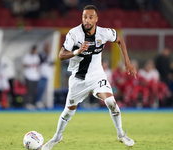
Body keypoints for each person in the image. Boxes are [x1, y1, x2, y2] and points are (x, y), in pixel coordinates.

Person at [42, 5, 136, 150]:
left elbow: (119, 40)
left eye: (90, 17)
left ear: (96, 19)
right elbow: (61, 55)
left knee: (111, 101)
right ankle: (57, 136)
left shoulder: (104, 33)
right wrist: (77, 51)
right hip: (78, 80)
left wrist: (127, 63)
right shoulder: (74, 34)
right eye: (85, 17)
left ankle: (121, 134)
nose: (87, 20)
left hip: (97, 76)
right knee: (68, 111)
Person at [36, 44, 54, 109]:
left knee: (46, 90)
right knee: (40, 88)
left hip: (47, 75)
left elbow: (52, 63)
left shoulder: (50, 56)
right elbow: (41, 60)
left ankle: (44, 102)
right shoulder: (42, 55)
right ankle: (38, 101)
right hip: (41, 74)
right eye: (47, 48)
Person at [22, 45, 40, 109]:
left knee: (34, 91)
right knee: (29, 91)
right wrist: (30, 65)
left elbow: (37, 65)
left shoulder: (36, 56)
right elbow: (24, 65)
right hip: (28, 76)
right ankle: (27, 103)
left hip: (35, 76)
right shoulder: (27, 56)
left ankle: (32, 103)